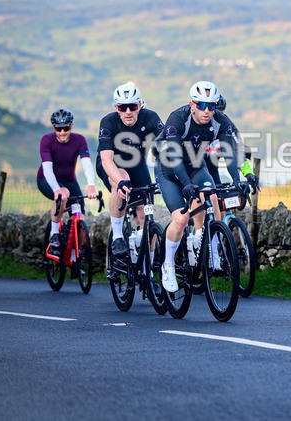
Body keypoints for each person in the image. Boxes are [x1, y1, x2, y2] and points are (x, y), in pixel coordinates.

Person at [154, 81, 247, 292]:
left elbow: (230, 154)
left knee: (210, 194)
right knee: (180, 218)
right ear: (192, 104)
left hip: (196, 165)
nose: (207, 111)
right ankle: (167, 264)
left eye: (211, 106)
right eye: (201, 105)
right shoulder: (178, 118)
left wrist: (238, 179)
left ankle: (203, 243)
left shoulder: (221, 122)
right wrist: (185, 184)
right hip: (169, 168)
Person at [97, 82, 164, 261]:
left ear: (139, 105)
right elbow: (106, 159)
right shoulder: (108, 122)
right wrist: (119, 181)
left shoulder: (150, 118)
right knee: (122, 180)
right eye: (122, 107)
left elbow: (166, 147)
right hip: (111, 164)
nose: (128, 111)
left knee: (145, 212)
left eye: (132, 106)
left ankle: (147, 267)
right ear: (116, 108)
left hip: (137, 164)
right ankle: (118, 237)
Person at [37, 108, 97, 255]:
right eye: (59, 128)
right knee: (62, 195)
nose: (63, 132)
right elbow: (47, 168)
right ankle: (54, 234)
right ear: (53, 128)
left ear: (71, 126)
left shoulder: (79, 140)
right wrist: (57, 189)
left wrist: (91, 185)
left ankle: (73, 260)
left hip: (70, 181)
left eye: (66, 128)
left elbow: (87, 163)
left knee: (80, 219)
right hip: (46, 179)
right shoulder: (47, 140)